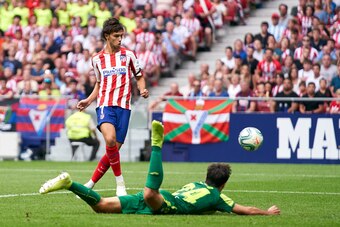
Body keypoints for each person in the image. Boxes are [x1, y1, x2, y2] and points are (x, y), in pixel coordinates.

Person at [39, 120, 281, 216]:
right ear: (223, 184)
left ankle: (69, 183)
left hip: (167, 196)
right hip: (167, 204)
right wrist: (267, 213)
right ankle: (157, 146)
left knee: (101, 207)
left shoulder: (196, 185)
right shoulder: (218, 197)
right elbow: (246, 210)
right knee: (149, 193)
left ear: (206, 177)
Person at [76, 18, 149, 196]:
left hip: (124, 108)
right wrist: (89, 100)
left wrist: (142, 89)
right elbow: (99, 85)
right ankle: (120, 184)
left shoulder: (128, 55)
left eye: (122, 36)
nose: (120, 39)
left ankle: (90, 184)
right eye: (116, 36)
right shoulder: (97, 59)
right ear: (107, 36)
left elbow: (139, 76)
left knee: (113, 150)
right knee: (109, 140)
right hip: (104, 105)